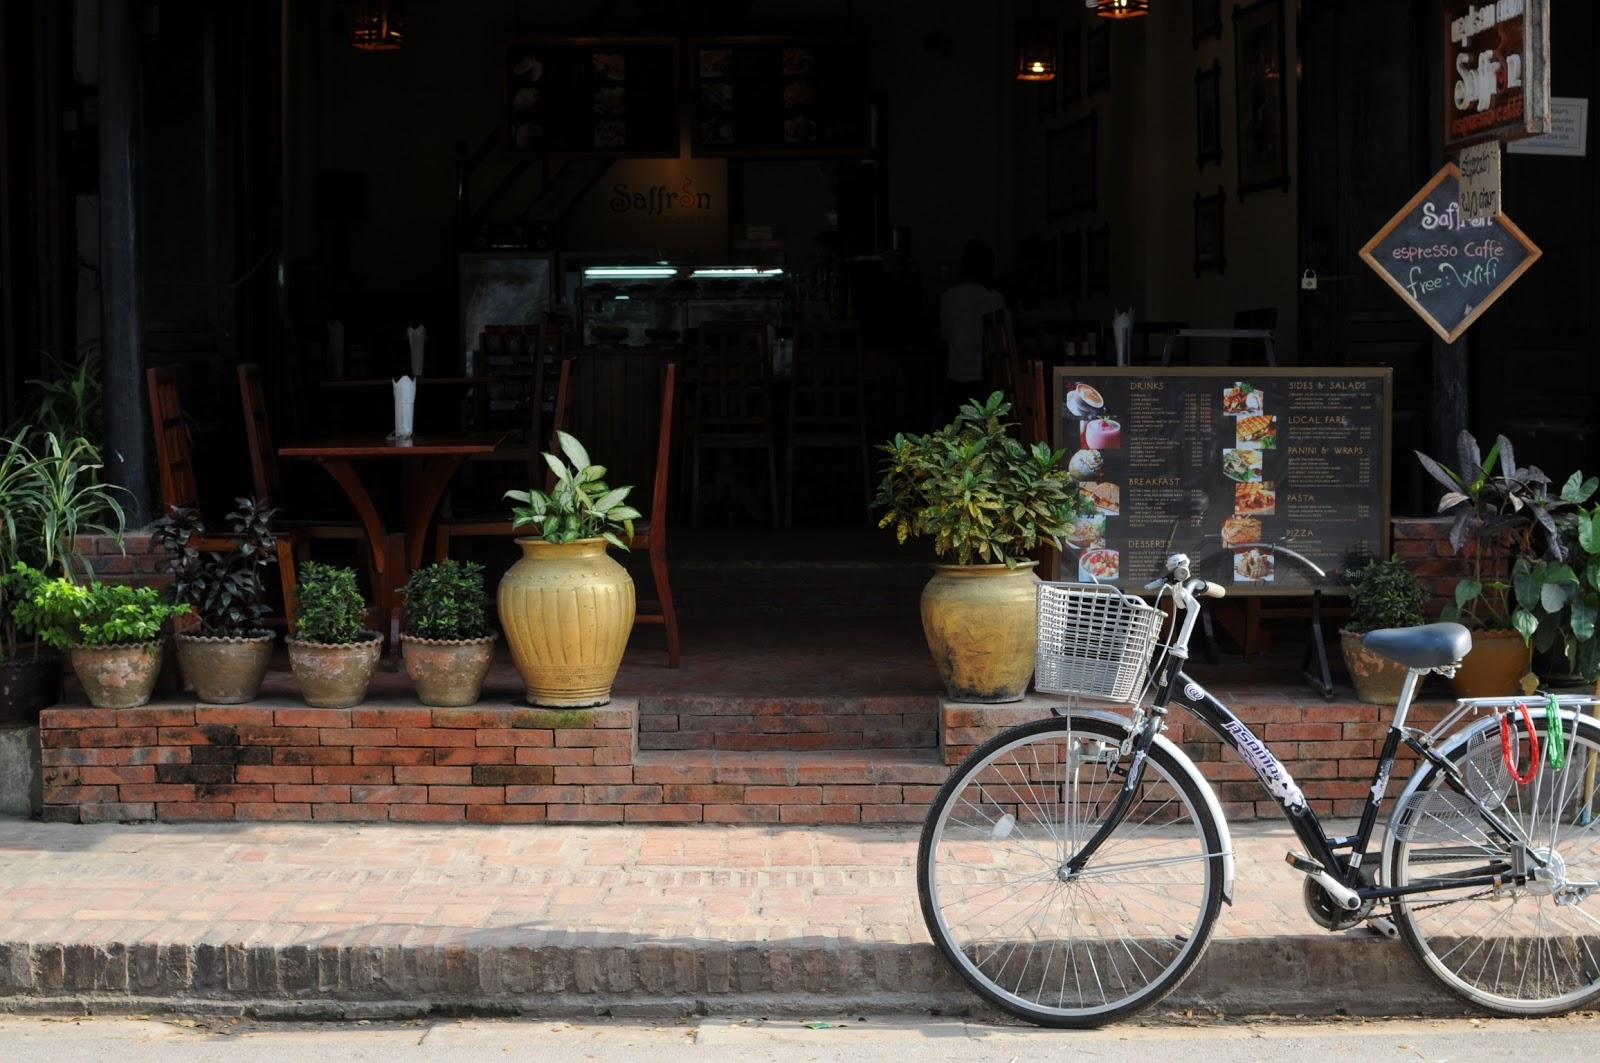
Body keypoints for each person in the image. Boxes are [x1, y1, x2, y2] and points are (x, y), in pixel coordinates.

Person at [939, 240, 1006, 422]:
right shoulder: (992, 298)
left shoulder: (948, 298)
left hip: (955, 375)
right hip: (984, 378)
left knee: (954, 433)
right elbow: (1002, 342)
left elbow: (945, 336)